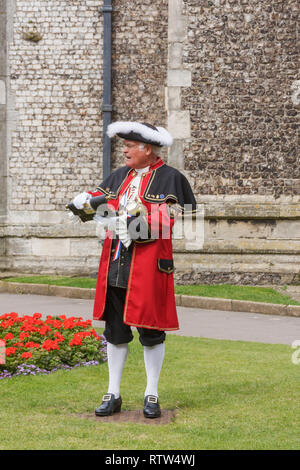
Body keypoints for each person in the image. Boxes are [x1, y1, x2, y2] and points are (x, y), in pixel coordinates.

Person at [71, 121, 197, 418]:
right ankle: (112, 393)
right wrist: (83, 206)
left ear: (147, 149)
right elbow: (100, 207)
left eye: (129, 145)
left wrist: (125, 225)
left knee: (151, 332)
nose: (124, 150)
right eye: (124, 145)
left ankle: (151, 393)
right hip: (116, 264)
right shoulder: (118, 176)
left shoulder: (171, 178)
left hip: (150, 266)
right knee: (115, 332)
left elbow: (167, 222)